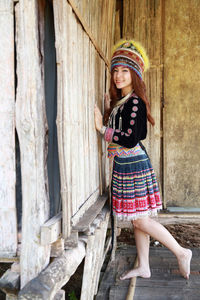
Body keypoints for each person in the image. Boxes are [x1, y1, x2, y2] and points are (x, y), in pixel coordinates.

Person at [94, 39, 192, 280]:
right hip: (125, 165)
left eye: (125, 71)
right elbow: (124, 131)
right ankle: (144, 266)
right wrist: (109, 111)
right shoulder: (122, 102)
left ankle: (181, 251)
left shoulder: (135, 101)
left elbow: (132, 137)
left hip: (133, 165)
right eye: (116, 70)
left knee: (140, 220)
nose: (118, 75)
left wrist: (101, 129)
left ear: (135, 74)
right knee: (139, 221)